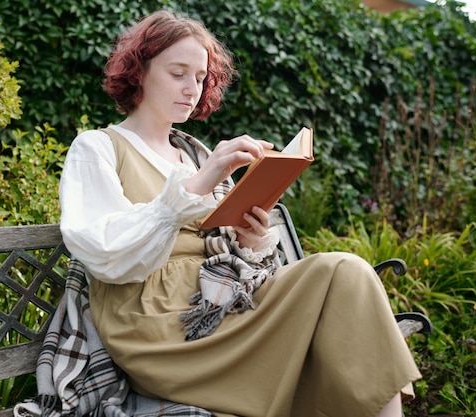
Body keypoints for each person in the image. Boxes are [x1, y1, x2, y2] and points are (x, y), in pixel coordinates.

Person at [58, 9, 421, 417]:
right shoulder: (97, 147)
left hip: (221, 303)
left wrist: (249, 239)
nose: (191, 89)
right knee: (336, 300)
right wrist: (201, 181)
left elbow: (226, 254)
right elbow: (106, 251)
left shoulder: (194, 154)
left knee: (347, 272)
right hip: (158, 328)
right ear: (139, 71)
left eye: (199, 78)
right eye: (178, 73)